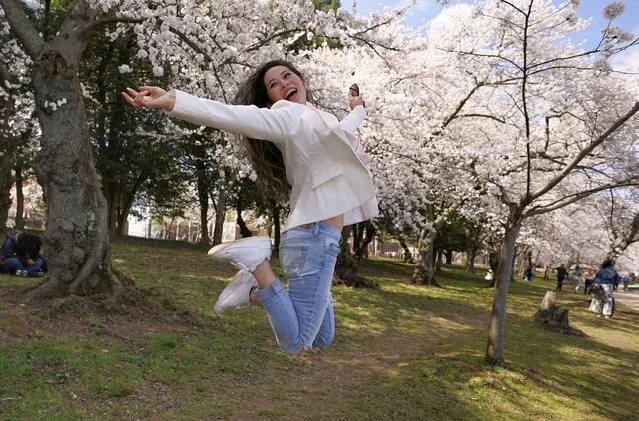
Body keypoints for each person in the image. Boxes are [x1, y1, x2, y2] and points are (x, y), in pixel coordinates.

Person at [123, 61, 378, 356]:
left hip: (317, 238)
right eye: (274, 84)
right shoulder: (285, 117)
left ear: (301, 81)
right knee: (297, 343)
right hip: (315, 237)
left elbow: (343, 129)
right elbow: (231, 116)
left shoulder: (318, 119)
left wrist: (358, 108)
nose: (283, 83)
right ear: (271, 100)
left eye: (287, 76)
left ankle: (254, 292)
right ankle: (257, 263)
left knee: (323, 336)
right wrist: (173, 101)